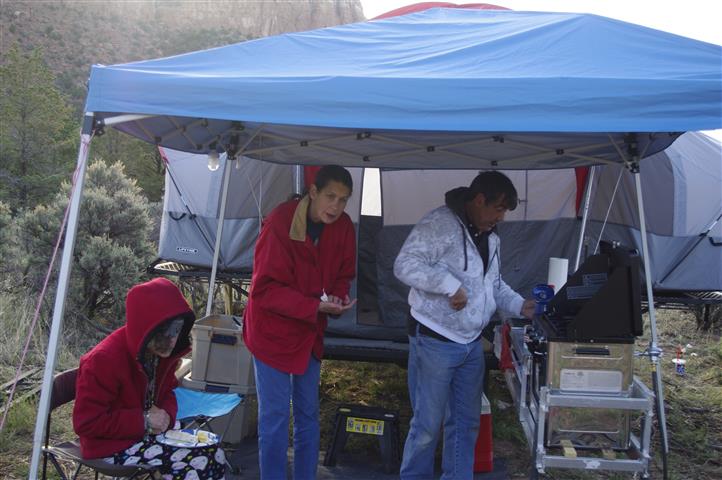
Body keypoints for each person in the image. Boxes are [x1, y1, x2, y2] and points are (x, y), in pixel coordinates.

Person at [395, 171, 535, 480]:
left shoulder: (491, 238)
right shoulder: (440, 223)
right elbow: (405, 264)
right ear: (479, 200)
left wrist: (520, 305)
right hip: (434, 338)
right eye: (497, 209)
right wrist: (448, 284)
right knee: (427, 426)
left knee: (465, 422)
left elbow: (493, 285)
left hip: (470, 343)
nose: (500, 218)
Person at [242, 164, 357, 479]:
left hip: (309, 331)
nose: (335, 206)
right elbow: (263, 290)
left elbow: (344, 273)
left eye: (343, 199)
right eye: (330, 196)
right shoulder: (280, 222)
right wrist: (314, 306)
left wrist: (336, 297)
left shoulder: (344, 227)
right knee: (275, 419)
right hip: (271, 333)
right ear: (314, 192)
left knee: (308, 415)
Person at [73, 277, 226, 480]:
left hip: (145, 436)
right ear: (146, 328)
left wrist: (167, 417)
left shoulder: (156, 353)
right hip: (111, 447)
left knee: (214, 452)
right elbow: (87, 423)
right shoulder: (103, 360)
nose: (172, 340)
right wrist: (143, 420)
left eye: (177, 331)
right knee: (196, 464)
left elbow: (169, 391)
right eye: (166, 333)